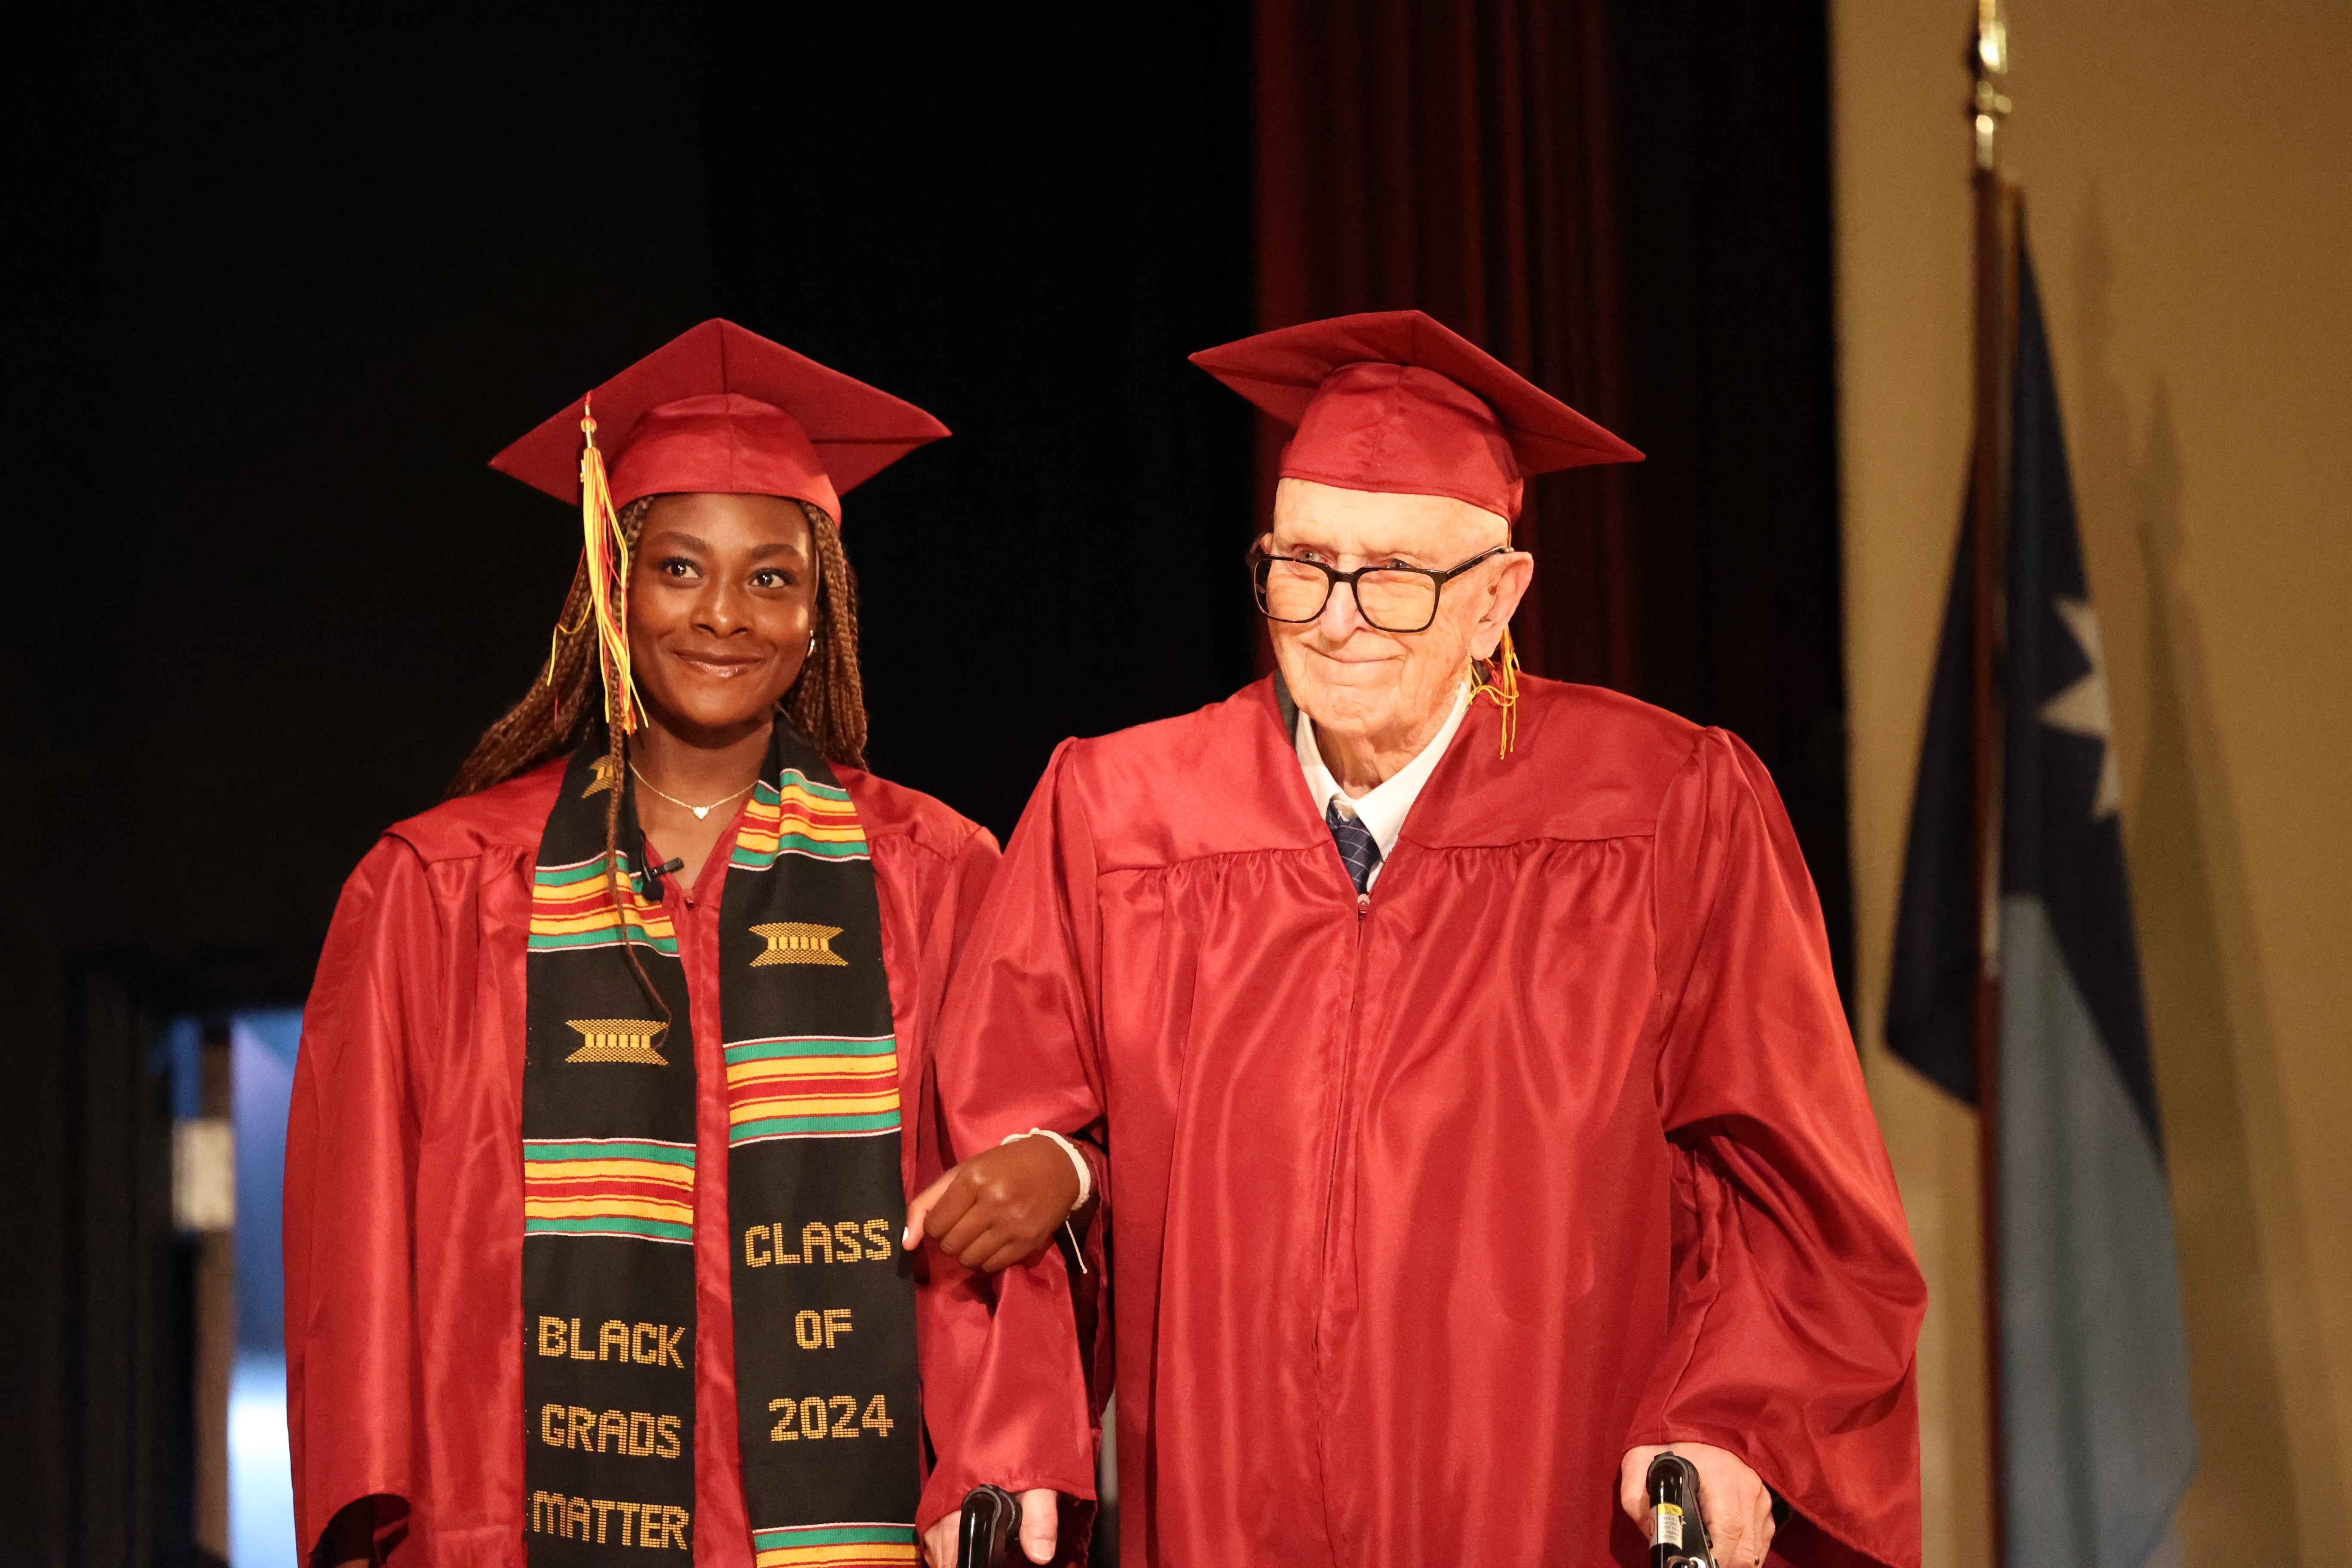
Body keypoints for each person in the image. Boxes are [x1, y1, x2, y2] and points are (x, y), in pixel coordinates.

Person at [905, 311, 1928, 1568]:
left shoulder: (1664, 810)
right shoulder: (1121, 818)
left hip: (1545, 1511)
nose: (1339, 617)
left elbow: (1784, 1184)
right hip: (1227, 1520)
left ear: (1498, 598)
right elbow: (1031, 1153)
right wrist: (1013, 1442)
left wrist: (1722, 1423)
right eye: (1305, 564)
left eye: (1395, 574)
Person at [285, 320, 1002, 1568]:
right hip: (506, 1511)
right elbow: (354, 1247)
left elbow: (988, 1220)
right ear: (612, 592)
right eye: (678, 568)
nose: (724, 614)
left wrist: (993, 1464)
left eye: (771, 577)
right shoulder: (438, 888)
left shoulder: (935, 875)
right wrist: (370, 1515)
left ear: (819, 606)